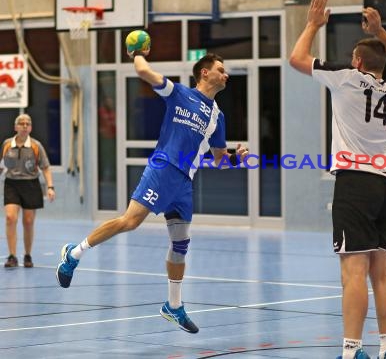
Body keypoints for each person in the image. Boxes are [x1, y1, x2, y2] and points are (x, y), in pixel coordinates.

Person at [56, 45, 249, 334]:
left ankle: (173, 306)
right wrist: (136, 51)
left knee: (181, 245)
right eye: (221, 70)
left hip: (184, 182)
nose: (226, 75)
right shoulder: (180, 94)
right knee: (130, 222)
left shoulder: (217, 117)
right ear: (205, 72)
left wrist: (236, 158)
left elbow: (221, 160)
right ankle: (74, 254)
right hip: (163, 168)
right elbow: (144, 71)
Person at [289, 0, 386, 359]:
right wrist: (381, 31)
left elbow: (296, 58)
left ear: (358, 61)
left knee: (353, 273)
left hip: (355, 183)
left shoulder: (346, 78)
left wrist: (313, 24)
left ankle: (351, 351)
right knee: (382, 273)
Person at [1, 113, 56, 268]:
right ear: (15, 127)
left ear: (30, 127)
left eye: (27, 124)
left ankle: (27, 255)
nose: (24, 126)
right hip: (11, 184)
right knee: (10, 218)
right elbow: (1, 165)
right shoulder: (7, 144)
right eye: (21, 123)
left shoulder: (36, 146)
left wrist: (50, 187)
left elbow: (45, 167)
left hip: (31, 184)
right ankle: (12, 256)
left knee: (28, 221)